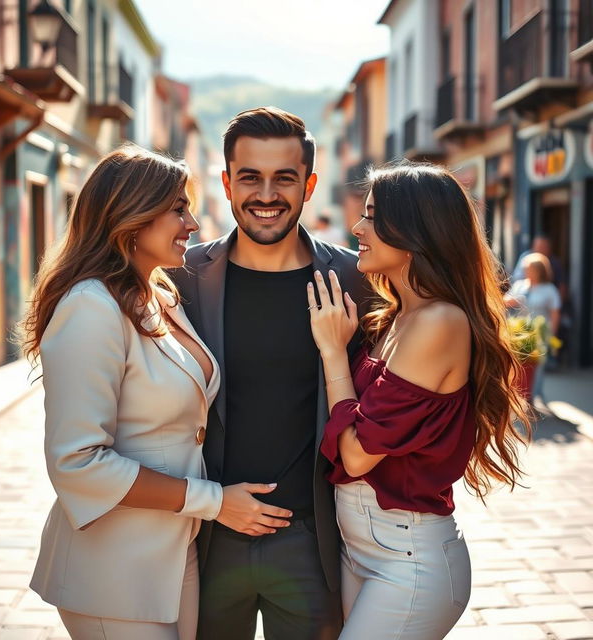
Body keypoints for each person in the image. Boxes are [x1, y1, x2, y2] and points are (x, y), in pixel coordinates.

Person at [22, 144, 292, 640]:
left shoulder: (157, 293)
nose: (191, 223)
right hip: (113, 568)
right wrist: (214, 501)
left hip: (175, 555)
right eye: (177, 209)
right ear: (130, 215)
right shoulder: (91, 307)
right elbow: (77, 461)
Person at [307, 162, 531, 639]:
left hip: (409, 562)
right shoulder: (395, 317)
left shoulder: (439, 322)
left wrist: (332, 352)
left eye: (372, 216)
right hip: (363, 549)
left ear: (413, 229)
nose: (357, 228)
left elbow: (356, 454)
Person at [173, 107, 370, 640]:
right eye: (250, 177)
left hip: (312, 544)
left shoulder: (354, 278)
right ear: (226, 182)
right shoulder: (182, 277)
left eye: (284, 178)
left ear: (308, 184)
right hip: (206, 540)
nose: (266, 194)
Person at [506, 252, 561, 402]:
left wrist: (552, 335)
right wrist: (513, 301)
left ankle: (533, 396)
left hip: (540, 333)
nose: (526, 272)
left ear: (539, 270)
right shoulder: (520, 286)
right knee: (520, 366)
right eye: (525, 268)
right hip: (520, 333)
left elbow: (555, 312)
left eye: (529, 269)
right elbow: (505, 301)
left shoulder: (549, 289)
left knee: (538, 368)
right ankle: (521, 395)